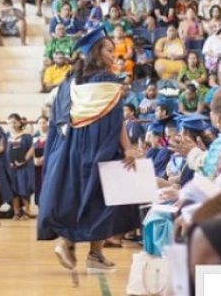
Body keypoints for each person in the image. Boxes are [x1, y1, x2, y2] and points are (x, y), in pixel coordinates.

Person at [38, 27, 142, 273]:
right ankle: (85, 250)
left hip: (71, 148)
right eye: (108, 50)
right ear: (96, 52)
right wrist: (128, 149)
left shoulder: (69, 83)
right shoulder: (108, 81)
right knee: (103, 198)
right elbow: (116, 121)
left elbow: (58, 120)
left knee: (79, 195)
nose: (113, 55)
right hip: (100, 147)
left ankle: (84, 249)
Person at [6, 113, 35, 220]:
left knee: (24, 188)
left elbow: (32, 148)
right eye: (10, 122)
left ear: (19, 123)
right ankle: (16, 211)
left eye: (14, 122)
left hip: (24, 166)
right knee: (13, 189)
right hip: (11, 167)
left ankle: (27, 211)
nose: (12, 124)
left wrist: (23, 160)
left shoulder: (26, 136)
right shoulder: (6, 136)